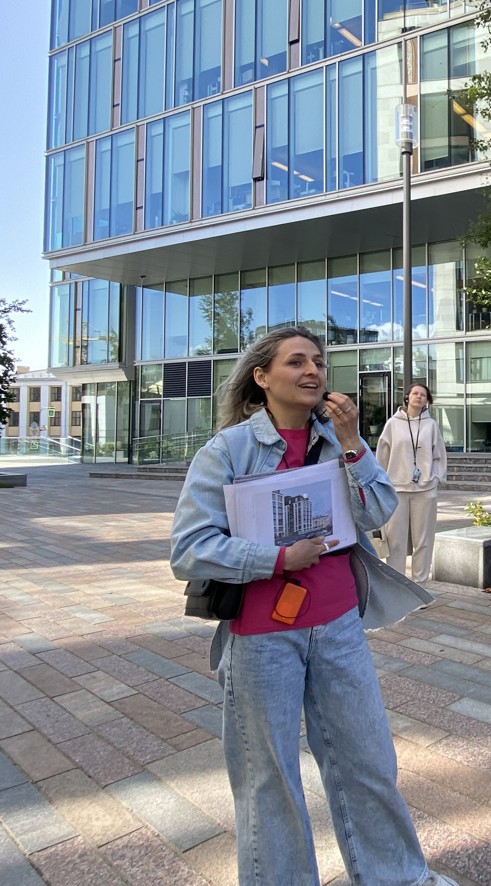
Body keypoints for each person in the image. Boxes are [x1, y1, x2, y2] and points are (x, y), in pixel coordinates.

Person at [169, 327, 455, 886]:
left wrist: (353, 442)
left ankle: (398, 877)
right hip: (261, 638)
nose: (312, 371)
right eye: (296, 361)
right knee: (268, 777)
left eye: (319, 362)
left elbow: (378, 511)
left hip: (339, 627)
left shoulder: (335, 439)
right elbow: (189, 548)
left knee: (368, 764)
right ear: (262, 377)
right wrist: (277, 558)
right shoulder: (227, 451)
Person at [376, 383, 447, 582]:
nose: (419, 397)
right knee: (395, 541)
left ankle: (420, 585)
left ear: (427, 400)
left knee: (423, 541)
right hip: (396, 489)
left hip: (425, 490)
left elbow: (440, 455)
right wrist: (382, 482)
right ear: (407, 397)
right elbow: (382, 455)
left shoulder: (431, 425)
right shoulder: (393, 423)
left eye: (423, 395)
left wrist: (435, 478)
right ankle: (398, 586)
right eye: (415, 393)